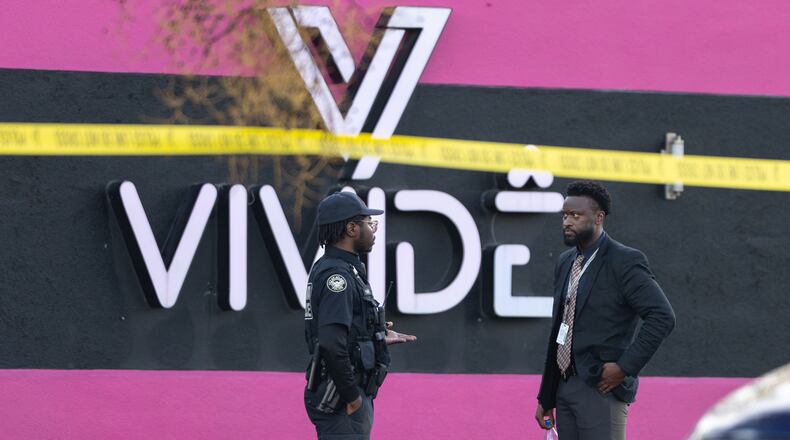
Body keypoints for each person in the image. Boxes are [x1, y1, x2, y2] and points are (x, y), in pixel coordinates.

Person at [534, 181, 676, 440]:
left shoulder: (624, 261)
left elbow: (662, 317)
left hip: (601, 387)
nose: (567, 222)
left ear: (599, 218)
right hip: (564, 386)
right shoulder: (566, 262)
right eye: (564, 215)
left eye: (575, 215)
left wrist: (624, 368)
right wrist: (547, 395)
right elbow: (559, 330)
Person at [304, 191, 416, 440]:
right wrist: (352, 397)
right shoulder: (338, 277)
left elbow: (344, 330)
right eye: (369, 223)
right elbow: (332, 343)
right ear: (352, 229)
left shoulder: (340, 268)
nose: (373, 230)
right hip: (341, 399)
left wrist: (376, 335)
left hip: (345, 396)